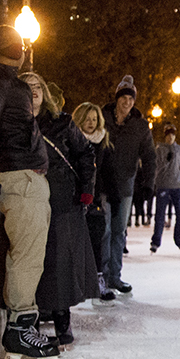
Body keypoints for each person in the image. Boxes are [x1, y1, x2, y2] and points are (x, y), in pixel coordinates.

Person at [0, 25, 58, 359]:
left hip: (23, 178)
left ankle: (22, 322)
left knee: (26, 254)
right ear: (17, 49)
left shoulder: (4, 82)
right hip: (20, 179)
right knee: (27, 256)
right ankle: (21, 326)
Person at [26, 77, 98, 347]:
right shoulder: (15, 123)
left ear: (44, 92)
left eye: (37, 86)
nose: (33, 91)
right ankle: (30, 320)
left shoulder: (62, 122)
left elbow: (84, 153)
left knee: (59, 261)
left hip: (62, 201)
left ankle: (61, 319)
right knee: (32, 259)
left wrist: (86, 189)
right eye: (26, 86)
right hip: (29, 200)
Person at [100, 77, 155, 294]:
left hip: (125, 185)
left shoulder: (140, 126)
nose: (127, 102)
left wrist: (149, 184)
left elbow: (149, 156)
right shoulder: (103, 119)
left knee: (119, 232)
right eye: (123, 97)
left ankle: (115, 276)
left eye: (131, 98)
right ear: (116, 99)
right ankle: (102, 276)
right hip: (103, 183)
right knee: (103, 230)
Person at [72, 102, 114, 299]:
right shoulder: (71, 141)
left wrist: (112, 194)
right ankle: (75, 284)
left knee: (97, 240)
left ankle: (98, 282)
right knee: (75, 242)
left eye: (94, 119)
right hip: (74, 198)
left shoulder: (104, 143)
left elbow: (107, 172)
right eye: (87, 119)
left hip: (95, 199)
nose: (90, 123)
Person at [150, 123, 180, 254]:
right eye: (168, 135)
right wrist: (166, 161)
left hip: (177, 185)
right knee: (160, 215)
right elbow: (156, 166)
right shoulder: (159, 149)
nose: (170, 138)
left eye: (172, 135)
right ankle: (156, 241)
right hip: (163, 185)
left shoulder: (179, 150)